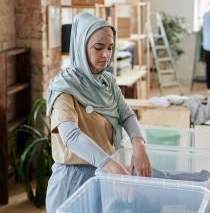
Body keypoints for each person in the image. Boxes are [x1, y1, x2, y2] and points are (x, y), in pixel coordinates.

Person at [45, 12, 151, 212]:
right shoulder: (63, 88)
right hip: (73, 181)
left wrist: (139, 147)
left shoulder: (106, 81)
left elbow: (126, 114)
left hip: (104, 177)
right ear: (80, 46)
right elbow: (71, 136)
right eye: (98, 48)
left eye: (110, 48)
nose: (106, 55)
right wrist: (111, 166)